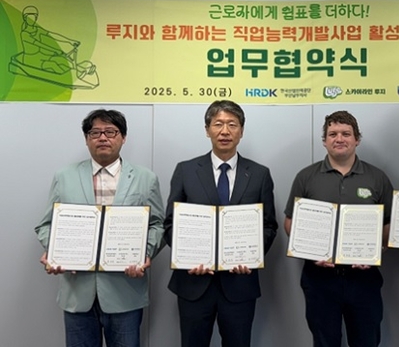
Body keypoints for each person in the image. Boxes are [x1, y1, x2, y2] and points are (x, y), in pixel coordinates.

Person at [35, 109, 165, 347]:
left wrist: (144, 254)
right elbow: (46, 224)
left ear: (123, 137)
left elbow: (157, 224)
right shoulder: (64, 176)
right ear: (87, 139)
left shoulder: (145, 178)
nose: (103, 137)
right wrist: (54, 251)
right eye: (95, 133)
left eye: (111, 132)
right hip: (77, 293)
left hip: (125, 292)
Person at [164, 100, 278, 347]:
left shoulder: (259, 174)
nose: (225, 131)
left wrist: (251, 256)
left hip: (240, 283)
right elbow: (171, 224)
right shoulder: (185, 170)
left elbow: (269, 226)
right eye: (218, 124)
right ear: (207, 130)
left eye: (232, 125)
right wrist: (187, 256)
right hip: (193, 283)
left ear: (241, 131)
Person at [284, 110, 393, 347]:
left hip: (364, 278)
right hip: (319, 279)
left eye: (346, 133)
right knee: (324, 342)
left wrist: (376, 250)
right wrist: (310, 250)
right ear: (324, 141)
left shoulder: (377, 178)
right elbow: (290, 222)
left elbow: (388, 224)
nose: (339, 139)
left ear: (357, 139)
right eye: (333, 134)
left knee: (366, 341)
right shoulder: (306, 177)